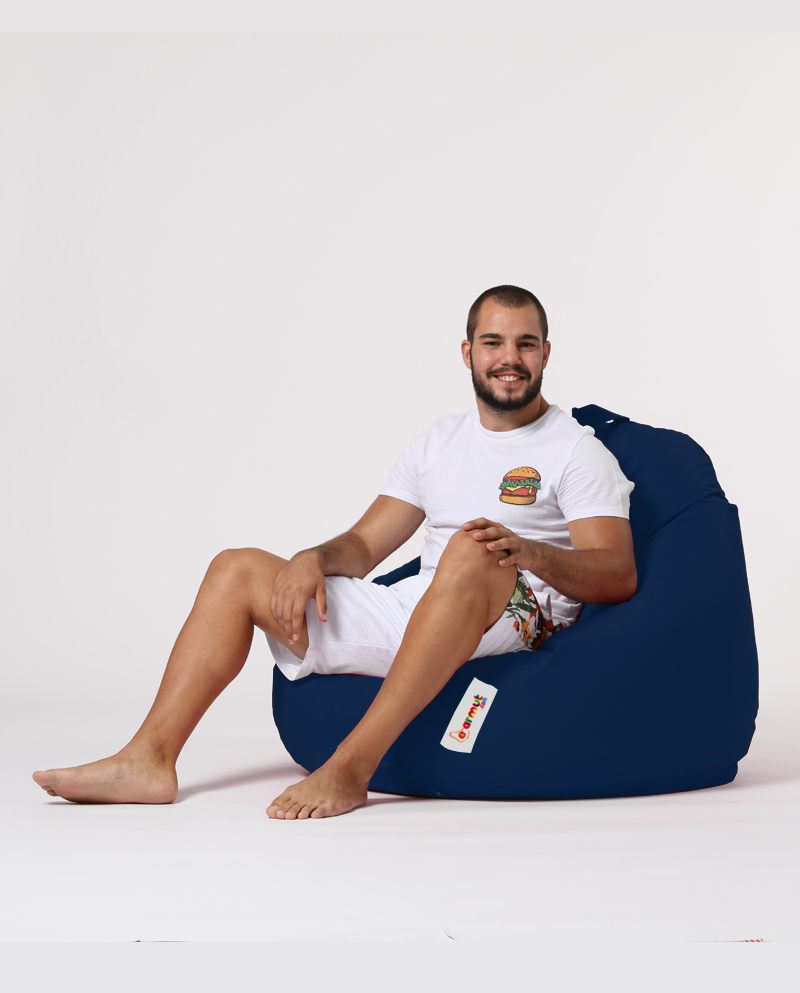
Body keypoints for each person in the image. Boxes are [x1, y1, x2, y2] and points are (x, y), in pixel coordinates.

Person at [32, 284, 637, 820]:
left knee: (470, 550)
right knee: (235, 568)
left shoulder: (576, 451)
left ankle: (351, 768)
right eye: (493, 343)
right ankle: (149, 760)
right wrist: (313, 559)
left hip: (521, 618)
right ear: (467, 353)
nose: (509, 358)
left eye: (526, 344)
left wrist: (528, 552)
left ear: (546, 354)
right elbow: (366, 544)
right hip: (429, 607)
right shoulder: (439, 441)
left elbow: (616, 574)